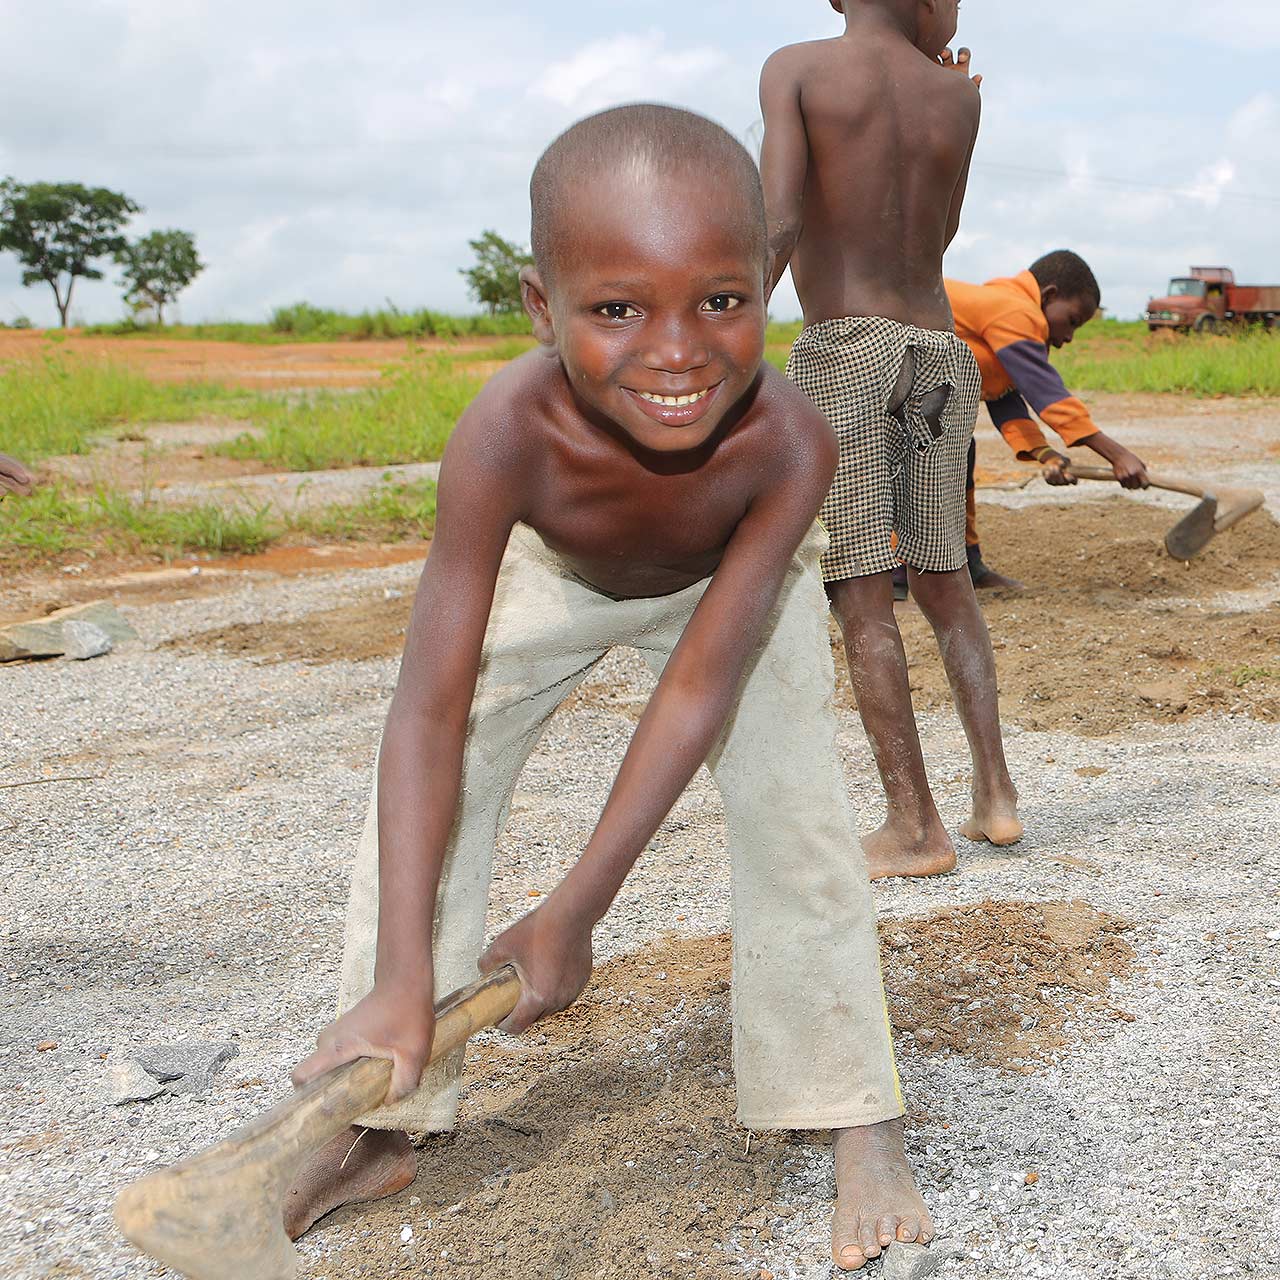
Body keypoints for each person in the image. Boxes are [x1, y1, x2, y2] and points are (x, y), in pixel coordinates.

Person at [287, 105, 932, 1274]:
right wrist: (402, 976)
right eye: (616, 308)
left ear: (769, 290)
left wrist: (577, 906)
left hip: (731, 595)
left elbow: (694, 688)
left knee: (797, 819)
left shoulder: (789, 445)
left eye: (720, 301)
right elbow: (426, 708)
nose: (676, 350)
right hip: (562, 573)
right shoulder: (504, 431)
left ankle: (853, 1104)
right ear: (542, 308)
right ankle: (383, 1108)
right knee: (445, 781)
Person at [759, 0, 1022, 885]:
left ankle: (914, 824)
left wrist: (725, 331)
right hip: (939, 349)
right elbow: (938, 236)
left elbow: (781, 219)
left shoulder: (797, 68)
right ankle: (996, 796)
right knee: (946, 577)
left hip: (847, 348)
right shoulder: (959, 99)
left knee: (861, 585)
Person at [947, 250, 1151, 588]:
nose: (1069, 338)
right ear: (1050, 295)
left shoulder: (1005, 310)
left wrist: (1047, 455)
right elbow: (1047, 394)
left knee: (958, 452)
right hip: (884, 385)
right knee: (915, 469)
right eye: (1072, 321)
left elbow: (1005, 398)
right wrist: (1117, 455)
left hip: (924, 403)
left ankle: (969, 565)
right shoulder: (1015, 311)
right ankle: (894, 581)